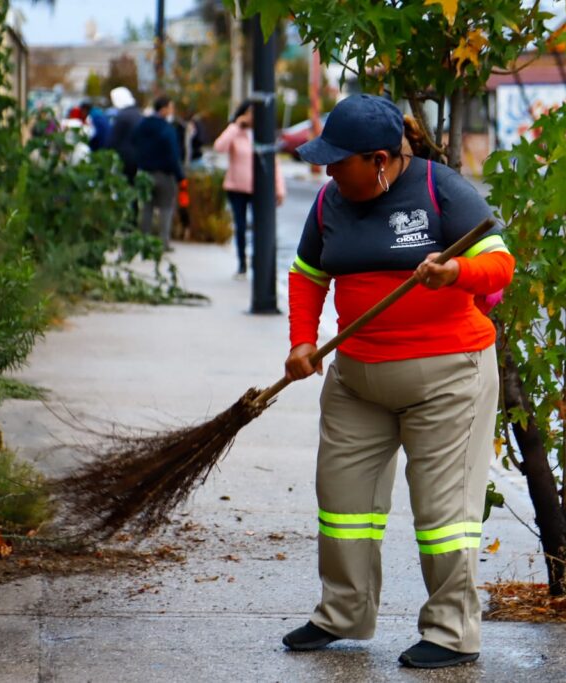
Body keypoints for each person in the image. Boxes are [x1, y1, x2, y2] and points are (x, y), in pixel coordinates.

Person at [280, 94, 515, 669]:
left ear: (380, 159)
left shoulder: (441, 190)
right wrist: (302, 342)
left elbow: (499, 262)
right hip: (357, 378)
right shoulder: (330, 202)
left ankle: (453, 631)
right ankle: (342, 612)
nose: (328, 171)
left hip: (448, 379)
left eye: (340, 161)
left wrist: (455, 270)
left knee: (443, 515)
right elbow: (308, 274)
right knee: (343, 501)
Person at [213, 102, 286, 279]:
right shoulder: (236, 132)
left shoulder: (264, 133)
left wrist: (279, 188)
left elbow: (274, 162)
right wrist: (236, 125)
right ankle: (241, 264)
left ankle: (259, 262)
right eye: (248, 113)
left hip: (259, 189)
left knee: (261, 226)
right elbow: (219, 147)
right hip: (236, 187)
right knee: (240, 226)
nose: (252, 117)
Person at [131, 95, 186, 250]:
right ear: (164, 109)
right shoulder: (167, 128)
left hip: (144, 171)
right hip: (164, 173)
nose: (172, 111)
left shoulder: (143, 125)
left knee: (146, 208)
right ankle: (163, 242)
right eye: (170, 107)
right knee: (166, 209)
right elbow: (173, 153)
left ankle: (144, 240)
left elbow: (133, 141)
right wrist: (180, 175)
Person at [107, 86, 143, 186]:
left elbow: (113, 140)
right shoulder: (137, 113)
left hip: (125, 159)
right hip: (137, 157)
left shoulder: (122, 116)